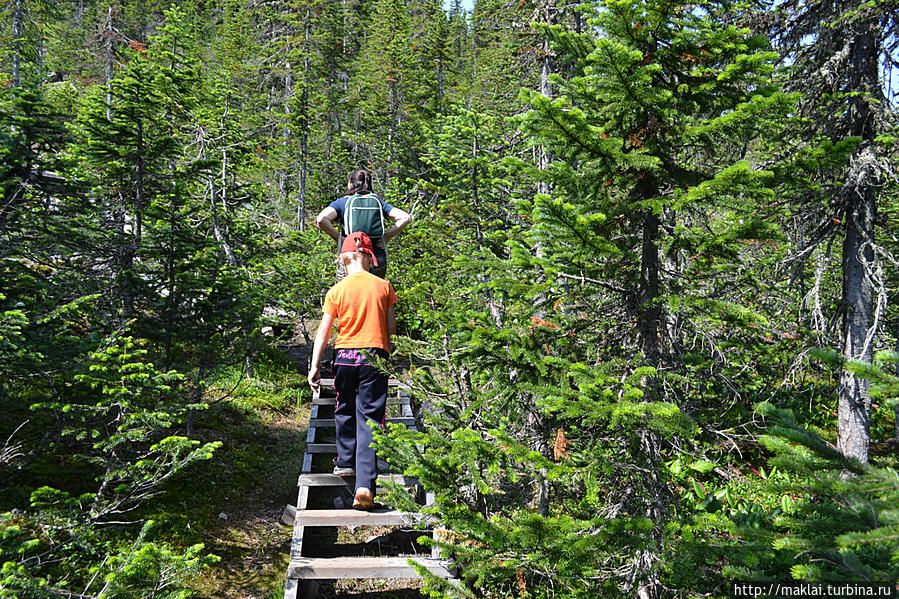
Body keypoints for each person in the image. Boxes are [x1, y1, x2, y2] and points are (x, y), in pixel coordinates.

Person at [308, 231, 398, 510]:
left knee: (344, 406)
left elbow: (324, 330)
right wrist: (388, 349)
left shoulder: (336, 290)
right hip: (374, 355)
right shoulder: (383, 286)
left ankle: (345, 462)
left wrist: (314, 365)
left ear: (343, 260)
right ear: (369, 258)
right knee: (370, 416)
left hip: (344, 356)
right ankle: (364, 486)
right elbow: (391, 327)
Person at [314, 168, 412, 279]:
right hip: (375, 256)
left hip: (351, 257)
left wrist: (338, 238)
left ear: (351, 184)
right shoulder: (377, 202)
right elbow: (406, 217)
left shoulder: (343, 202)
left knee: (347, 292)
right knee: (376, 292)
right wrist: (386, 237)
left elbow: (321, 219)